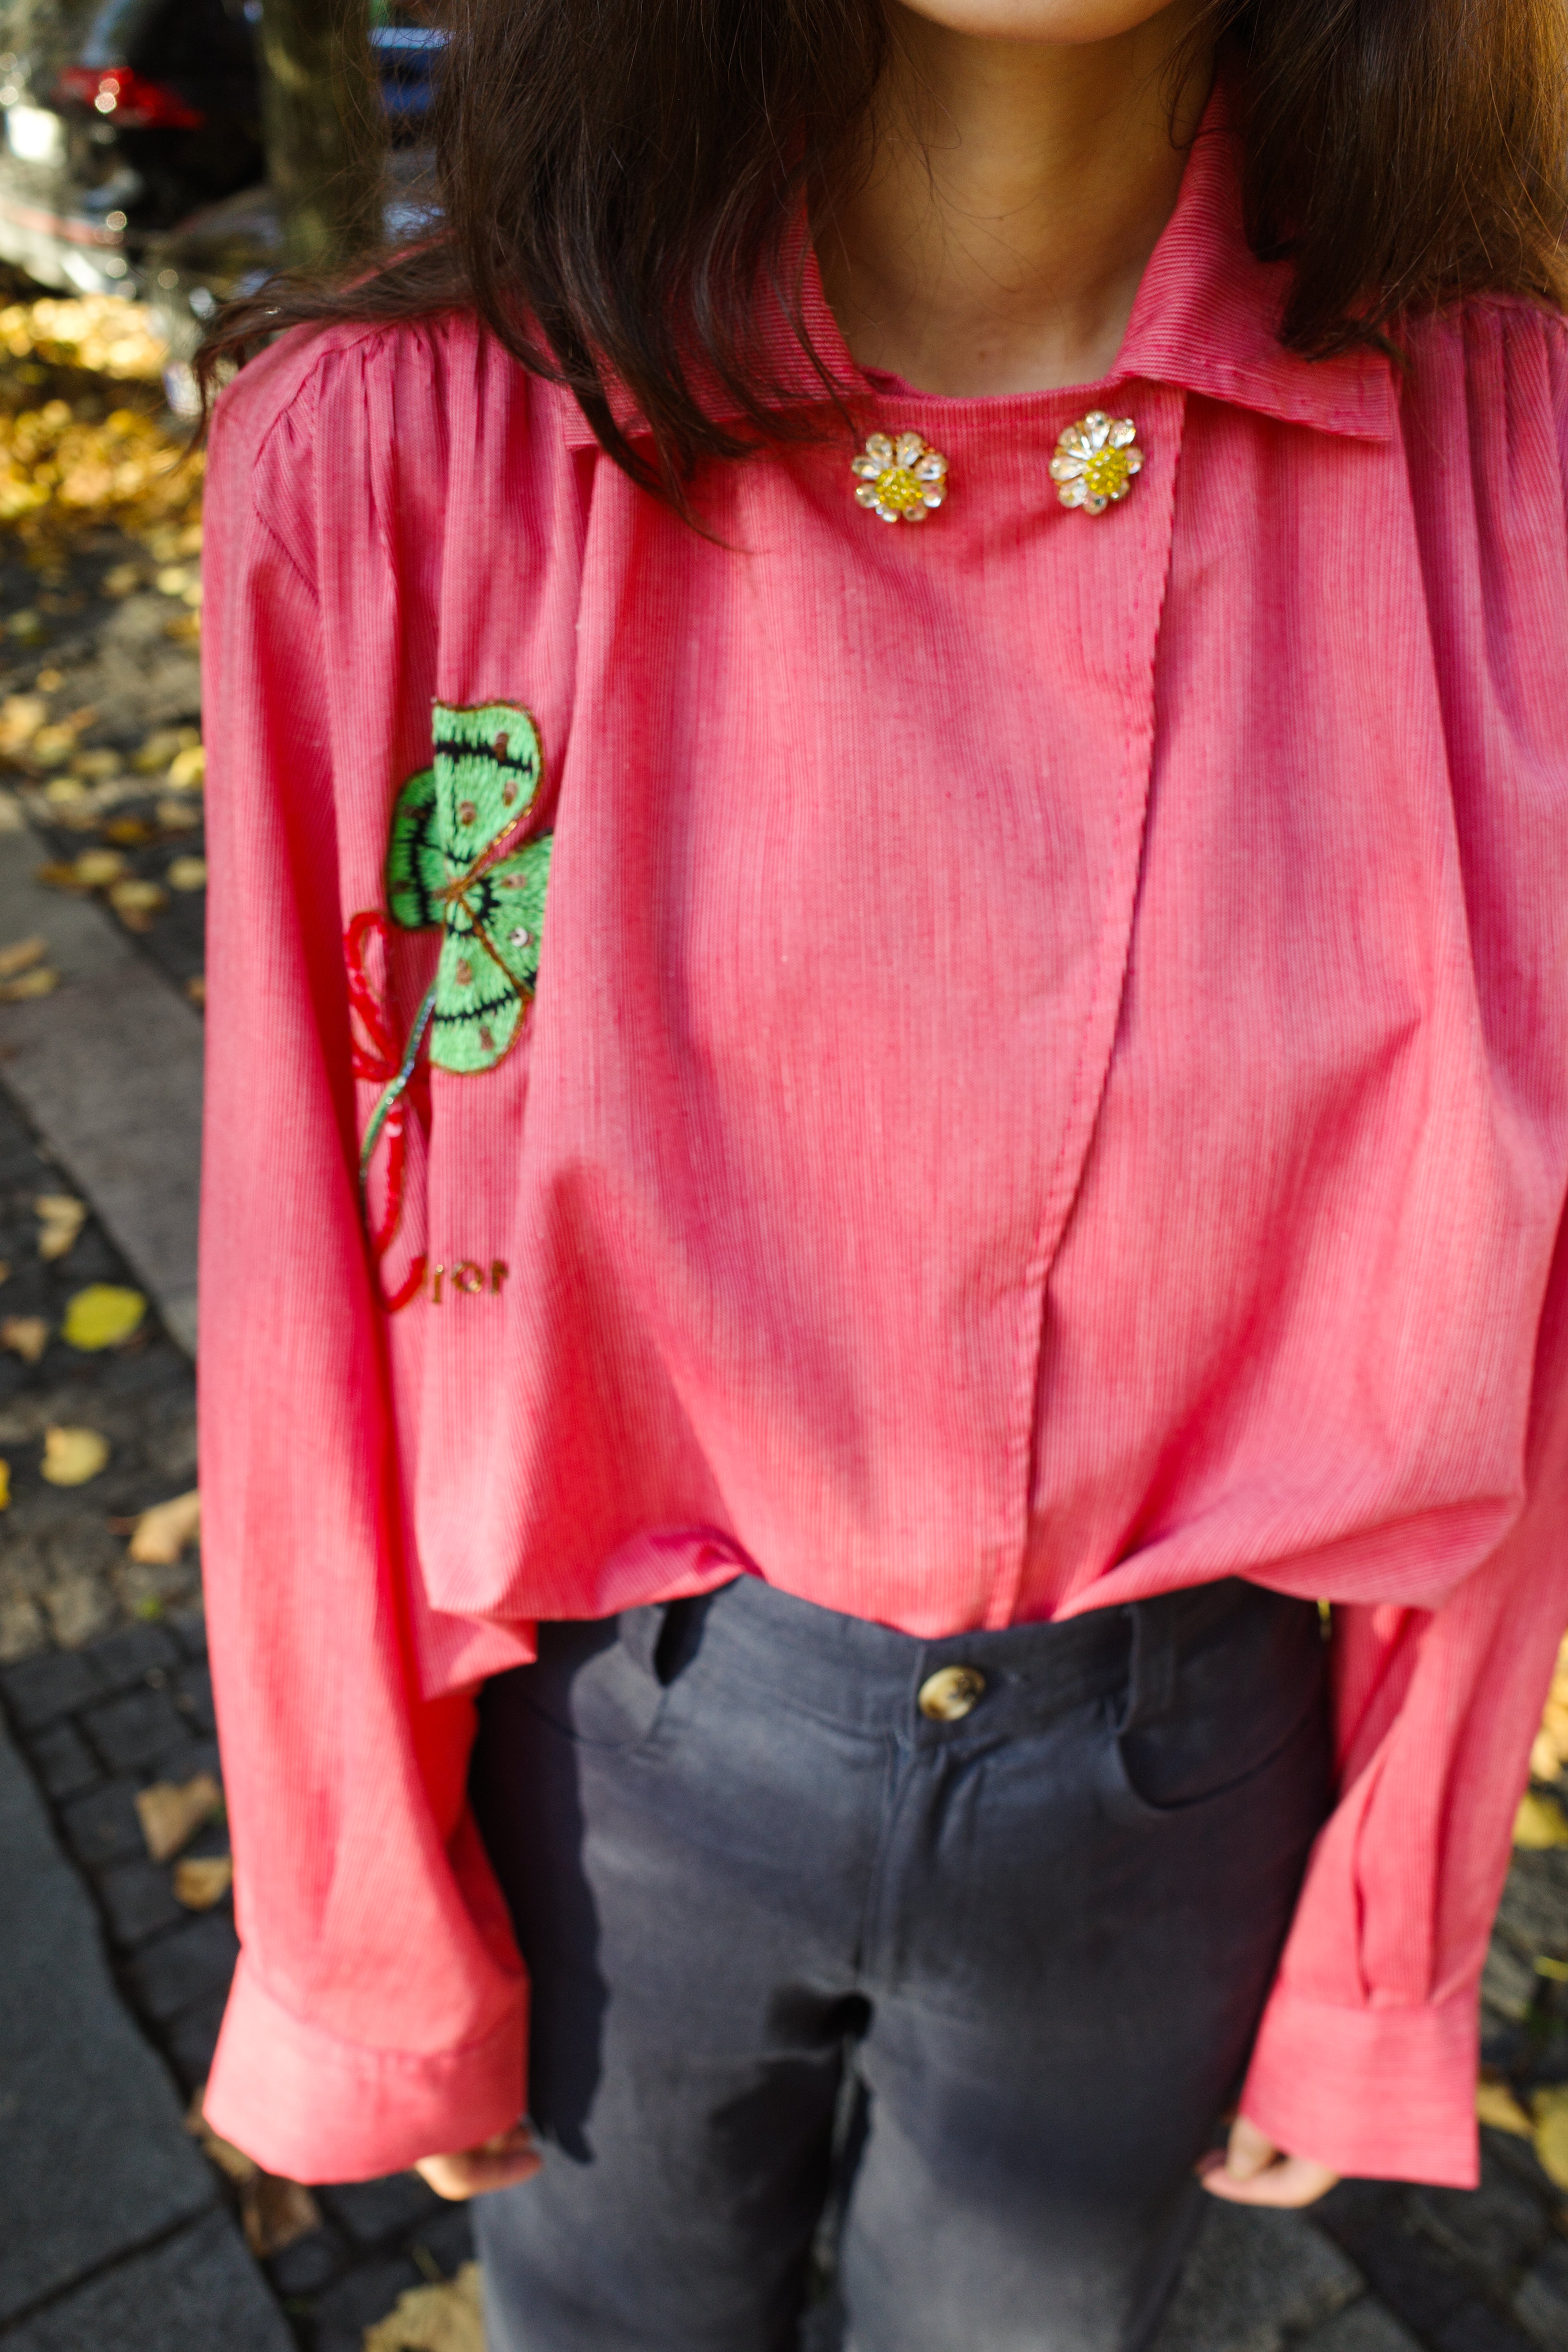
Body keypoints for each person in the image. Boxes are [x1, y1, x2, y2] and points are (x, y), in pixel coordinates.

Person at [194, 0, 1568, 2344]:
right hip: (613, 1760)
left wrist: (1383, 1934)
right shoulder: (399, 460)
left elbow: (1533, 1308)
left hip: (1181, 1779)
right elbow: (301, 1270)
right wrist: (361, 1935)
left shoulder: (1516, 480)